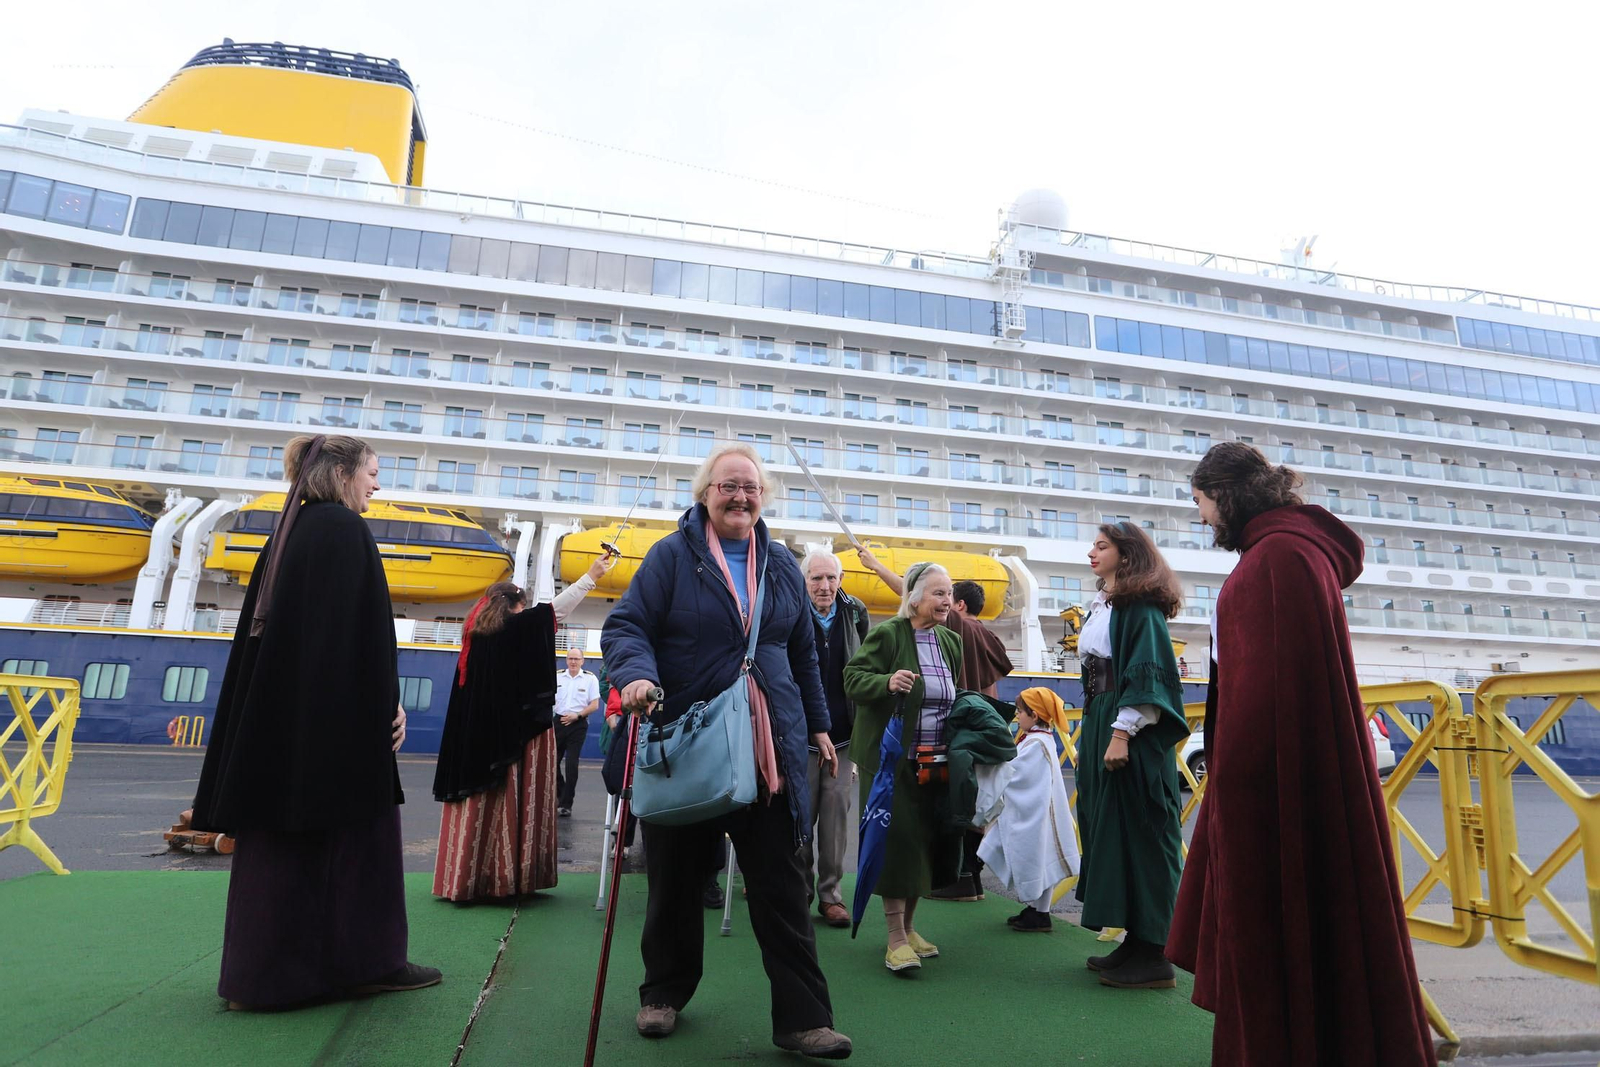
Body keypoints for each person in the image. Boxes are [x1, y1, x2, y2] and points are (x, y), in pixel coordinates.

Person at [1167, 443, 1434, 1065]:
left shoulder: (1276, 559)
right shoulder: (1290, 552)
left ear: (1227, 497)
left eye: (1202, 504)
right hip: (1292, 780)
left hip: (1271, 793)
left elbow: (1263, 699)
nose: (1202, 518)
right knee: (1316, 932)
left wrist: (1233, 799)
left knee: (1274, 937)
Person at [602, 442, 852, 1060]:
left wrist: (818, 727)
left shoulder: (784, 566)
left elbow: (802, 659)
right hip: (690, 738)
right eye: (727, 486)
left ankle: (802, 1019)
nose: (740, 496)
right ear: (705, 494)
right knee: (676, 882)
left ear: (763, 497)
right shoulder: (670, 556)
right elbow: (626, 626)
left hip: (770, 749)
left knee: (781, 886)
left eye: (750, 487)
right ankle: (663, 993)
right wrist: (634, 675)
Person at [190, 434, 439, 1010]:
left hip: (283, 729)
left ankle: (262, 979)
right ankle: (365, 964)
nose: (377, 483)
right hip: (336, 735)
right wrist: (386, 707)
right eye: (372, 472)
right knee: (355, 845)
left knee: (279, 851)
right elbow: (358, 639)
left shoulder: (290, 532)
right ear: (343, 474)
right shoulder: (343, 531)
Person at [432, 553, 614, 902]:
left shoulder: (476, 637)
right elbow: (553, 613)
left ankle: (465, 875)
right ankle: (504, 876)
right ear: (515, 606)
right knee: (510, 802)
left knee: (477, 806)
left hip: (472, 743)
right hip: (508, 741)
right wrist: (590, 576)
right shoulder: (515, 629)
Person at [1073, 521, 1189, 989]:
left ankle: (1156, 952)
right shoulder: (1108, 605)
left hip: (1127, 729)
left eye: (1101, 546)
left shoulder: (1139, 608)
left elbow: (1149, 676)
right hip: (1103, 716)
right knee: (1113, 828)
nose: (1091, 553)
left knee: (1143, 828)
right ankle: (1135, 942)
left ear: (1127, 553)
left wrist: (1121, 733)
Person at [843, 562, 966, 974]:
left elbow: (953, 694)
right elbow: (852, 678)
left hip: (935, 760)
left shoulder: (951, 641)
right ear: (913, 598)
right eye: (937, 593)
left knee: (921, 846)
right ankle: (894, 938)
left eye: (948, 592)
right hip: (890, 761)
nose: (946, 599)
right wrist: (886, 683)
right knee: (894, 844)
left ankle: (911, 929)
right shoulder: (888, 634)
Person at [799, 547, 871, 929]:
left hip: (842, 738)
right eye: (816, 578)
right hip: (800, 737)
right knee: (799, 819)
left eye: (831, 578)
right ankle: (800, 894)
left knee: (835, 820)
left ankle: (831, 896)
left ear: (840, 580)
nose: (824, 586)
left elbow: (865, 664)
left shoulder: (855, 612)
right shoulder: (791, 611)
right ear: (804, 580)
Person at [932, 579, 1013, 902]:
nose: (943, 602)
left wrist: (878, 567)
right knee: (981, 801)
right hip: (992, 724)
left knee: (959, 799)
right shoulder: (990, 636)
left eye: (948, 597)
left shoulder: (958, 624)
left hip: (966, 723)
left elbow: (913, 593)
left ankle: (960, 878)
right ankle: (973, 879)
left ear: (960, 604)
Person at [977, 687, 1080, 933]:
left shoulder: (1036, 742)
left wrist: (989, 768)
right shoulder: (1041, 739)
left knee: (1038, 858)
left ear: (1034, 715)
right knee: (1044, 861)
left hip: (1039, 814)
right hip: (1042, 811)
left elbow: (1017, 774)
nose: (1017, 717)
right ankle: (1038, 911)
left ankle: (1040, 913)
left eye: (1021, 712)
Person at [553, 647, 600, 817]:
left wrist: (577, 715)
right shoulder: (558, 676)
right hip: (558, 722)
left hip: (578, 724)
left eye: (576, 659)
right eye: (570, 658)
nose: (573, 662)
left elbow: (595, 705)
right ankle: (561, 791)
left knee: (572, 764)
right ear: (566, 660)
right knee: (552, 763)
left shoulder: (590, 679)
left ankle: (566, 804)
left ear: (582, 661)